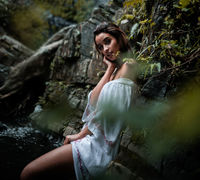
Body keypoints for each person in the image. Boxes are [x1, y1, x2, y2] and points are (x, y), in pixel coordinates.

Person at [20, 22, 138, 180]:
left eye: (107, 41)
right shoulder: (116, 69)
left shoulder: (129, 66)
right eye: (100, 47)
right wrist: (109, 69)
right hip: (93, 145)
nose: (105, 50)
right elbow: (95, 100)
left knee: (28, 173)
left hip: (96, 151)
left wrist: (79, 135)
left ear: (119, 38)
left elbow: (105, 113)